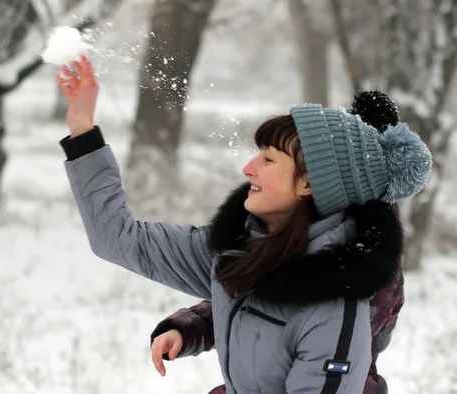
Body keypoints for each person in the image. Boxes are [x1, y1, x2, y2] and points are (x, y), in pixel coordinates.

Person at [57, 56, 432, 394]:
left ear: (309, 184)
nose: (248, 168)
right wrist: (82, 131)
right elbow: (118, 239)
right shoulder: (238, 252)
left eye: (268, 160)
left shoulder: (335, 307)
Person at [149, 91, 405, 394]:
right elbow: (260, 300)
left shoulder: (361, 262)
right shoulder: (319, 223)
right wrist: (190, 326)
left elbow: (285, 312)